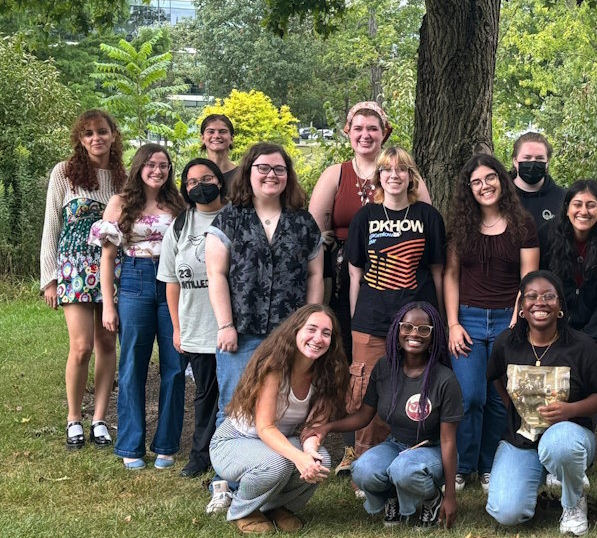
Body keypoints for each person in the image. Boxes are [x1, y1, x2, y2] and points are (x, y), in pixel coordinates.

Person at [309, 102, 431, 477]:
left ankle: (400, 440)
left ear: (384, 133)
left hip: (395, 281)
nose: (365, 134)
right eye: (358, 127)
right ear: (348, 131)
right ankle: (354, 446)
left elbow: (425, 224)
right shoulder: (336, 174)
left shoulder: (404, 171)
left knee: (395, 361)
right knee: (355, 366)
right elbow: (313, 228)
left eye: (373, 128)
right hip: (344, 276)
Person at [206, 142, 324, 427]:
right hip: (241, 331)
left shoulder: (303, 222)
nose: (271, 175)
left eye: (279, 169)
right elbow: (216, 274)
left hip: (289, 332)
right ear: (248, 172)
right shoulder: (229, 218)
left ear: (288, 176)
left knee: (282, 406)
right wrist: (225, 326)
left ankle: (274, 466)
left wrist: (309, 327)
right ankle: (228, 466)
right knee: (234, 405)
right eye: (263, 168)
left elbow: (315, 276)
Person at [315, 303, 462, 529]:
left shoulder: (444, 379)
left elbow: (448, 441)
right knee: (362, 470)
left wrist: (450, 495)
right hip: (396, 445)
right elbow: (364, 416)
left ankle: (432, 499)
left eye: (424, 330)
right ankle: (391, 497)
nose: (414, 334)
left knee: (404, 468)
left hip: (432, 450)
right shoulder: (385, 367)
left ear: (434, 337)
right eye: (408, 327)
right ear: (397, 330)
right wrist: (328, 427)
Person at [486, 271, 597, 536]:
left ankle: (573, 500)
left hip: (570, 436)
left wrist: (571, 410)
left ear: (561, 306)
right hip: (522, 440)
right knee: (507, 513)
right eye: (530, 297)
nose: (539, 303)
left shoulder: (582, 346)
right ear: (521, 308)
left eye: (548, 296)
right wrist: (512, 405)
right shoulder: (507, 343)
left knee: (560, 443)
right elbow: (495, 376)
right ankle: (543, 478)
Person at [209, 304, 350, 534]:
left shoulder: (328, 373)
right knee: (277, 464)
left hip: (275, 443)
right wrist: (298, 457)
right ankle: (243, 510)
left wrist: (310, 452)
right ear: (295, 330)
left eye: (326, 333)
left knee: (320, 460)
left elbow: (313, 428)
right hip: (234, 440)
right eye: (311, 329)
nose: (318, 338)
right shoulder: (273, 366)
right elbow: (265, 428)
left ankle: (277, 507)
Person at [445, 154, 539, 492]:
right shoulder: (460, 226)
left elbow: (528, 278)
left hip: (507, 317)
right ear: (468, 189)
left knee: (501, 397)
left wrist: (518, 318)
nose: (484, 186)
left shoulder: (523, 224)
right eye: (476, 182)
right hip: (467, 318)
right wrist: (453, 323)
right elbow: (451, 275)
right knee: (470, 396)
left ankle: (488, 465)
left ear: (502, 179)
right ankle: (463, 466)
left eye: (490, 178)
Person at [90, 144, 186, 470]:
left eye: (164, 165)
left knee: (174, 365)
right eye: (151, 165)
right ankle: (131, 444)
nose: (158, 171)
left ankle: (167, 444)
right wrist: (108, 306)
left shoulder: (177, 204)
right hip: (135, 281)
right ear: (139, 167)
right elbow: (106, 258)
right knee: (132, 366)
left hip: (173, 284)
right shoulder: (120, 203)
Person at [347, 145, 447, 459]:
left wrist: (441, 320)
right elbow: (355, 274)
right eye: (387, 169)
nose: (394, 175)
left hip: (418, 322)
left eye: (401, 169)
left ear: (410, 176)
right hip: (371, 320)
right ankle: (367, 461)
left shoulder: (428, 216)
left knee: (417, 388)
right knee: (368, 391)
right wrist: (355, 322)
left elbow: (438, 272)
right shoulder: (365, 217)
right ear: (378, 176)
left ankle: (413, 455)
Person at [40, 110, 126, 450]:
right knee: (81, 347)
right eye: (88, 133)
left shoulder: (124, 178)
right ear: (80, 138)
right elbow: (51, 227)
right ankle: (73, 418)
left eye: (102, 131)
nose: (96, 138)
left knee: (107, 344)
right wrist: (50, 278)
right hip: (73, 268)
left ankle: (100, 419)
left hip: (111, 269)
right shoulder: (64, 173)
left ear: (113, 136)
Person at [158, 158, 228, 478]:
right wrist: (177, 327)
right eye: (191, 182)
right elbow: (171, 280)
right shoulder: (180, 225)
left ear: (220, 180)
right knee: (204, 394)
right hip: (196, 324)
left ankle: (229, 453)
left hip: (232, 326)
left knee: (234, 394)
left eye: (207, 178)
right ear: (185, 189)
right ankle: (200, 455)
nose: (199, 185)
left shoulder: (236, 217)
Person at [537, 180, 597, 345]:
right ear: (567, 208)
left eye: (591, 205)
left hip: (591, 337)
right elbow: (539, 286)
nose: (584, 211)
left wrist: (589, 339)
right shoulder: (546, 236)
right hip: (550, 332)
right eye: (577, 204)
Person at [510, 131, 565, 225]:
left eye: (539, 158)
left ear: (547, 162)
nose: (533, 163)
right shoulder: (499, 195)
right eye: (527, 158)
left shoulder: (563, 198)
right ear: (515, 161)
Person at [199, 114, 239, 187]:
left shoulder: (242, 175)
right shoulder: (195, 176)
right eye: (211, 132)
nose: (216, 136)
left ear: (231, 138)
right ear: (202, 138)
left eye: (222, 131)